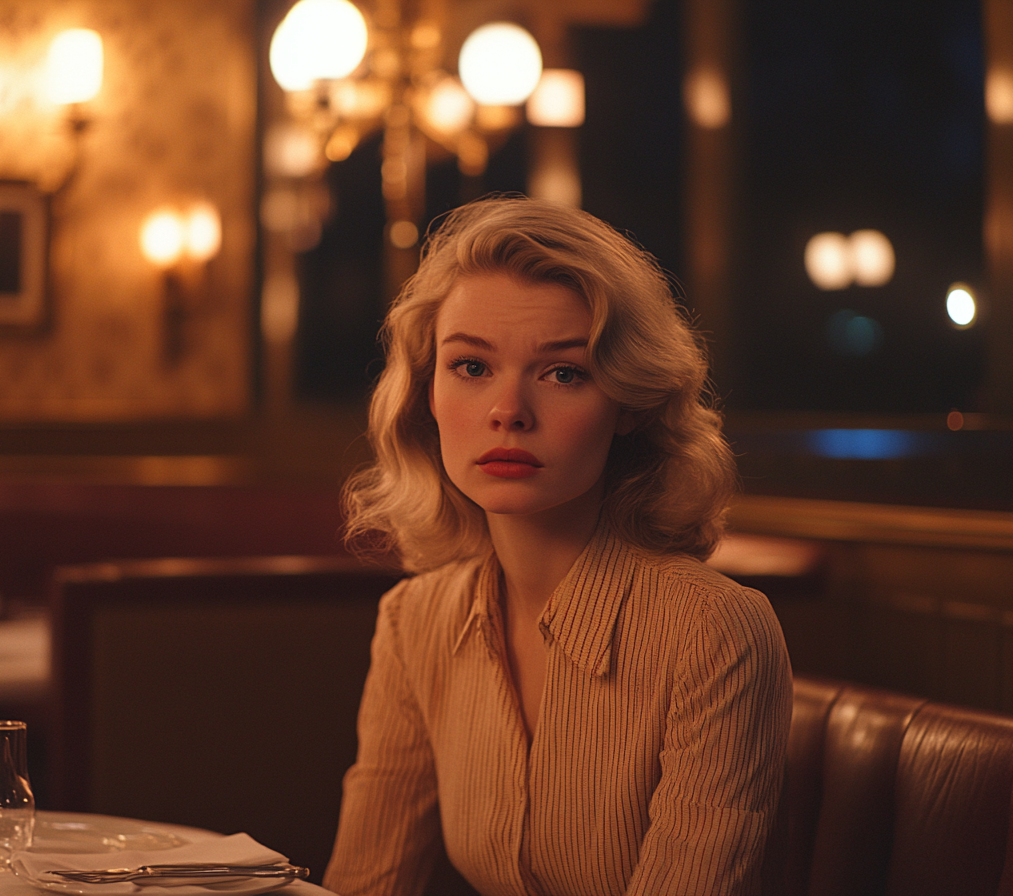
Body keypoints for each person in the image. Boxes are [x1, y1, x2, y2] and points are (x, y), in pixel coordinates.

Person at [322, 197, 792, 896]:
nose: (507, 409)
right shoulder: (413, 621)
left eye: (563, 373)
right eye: (471, 367)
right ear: (425, 392)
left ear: (629, 403)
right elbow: (364, 885)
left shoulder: (713, 631)